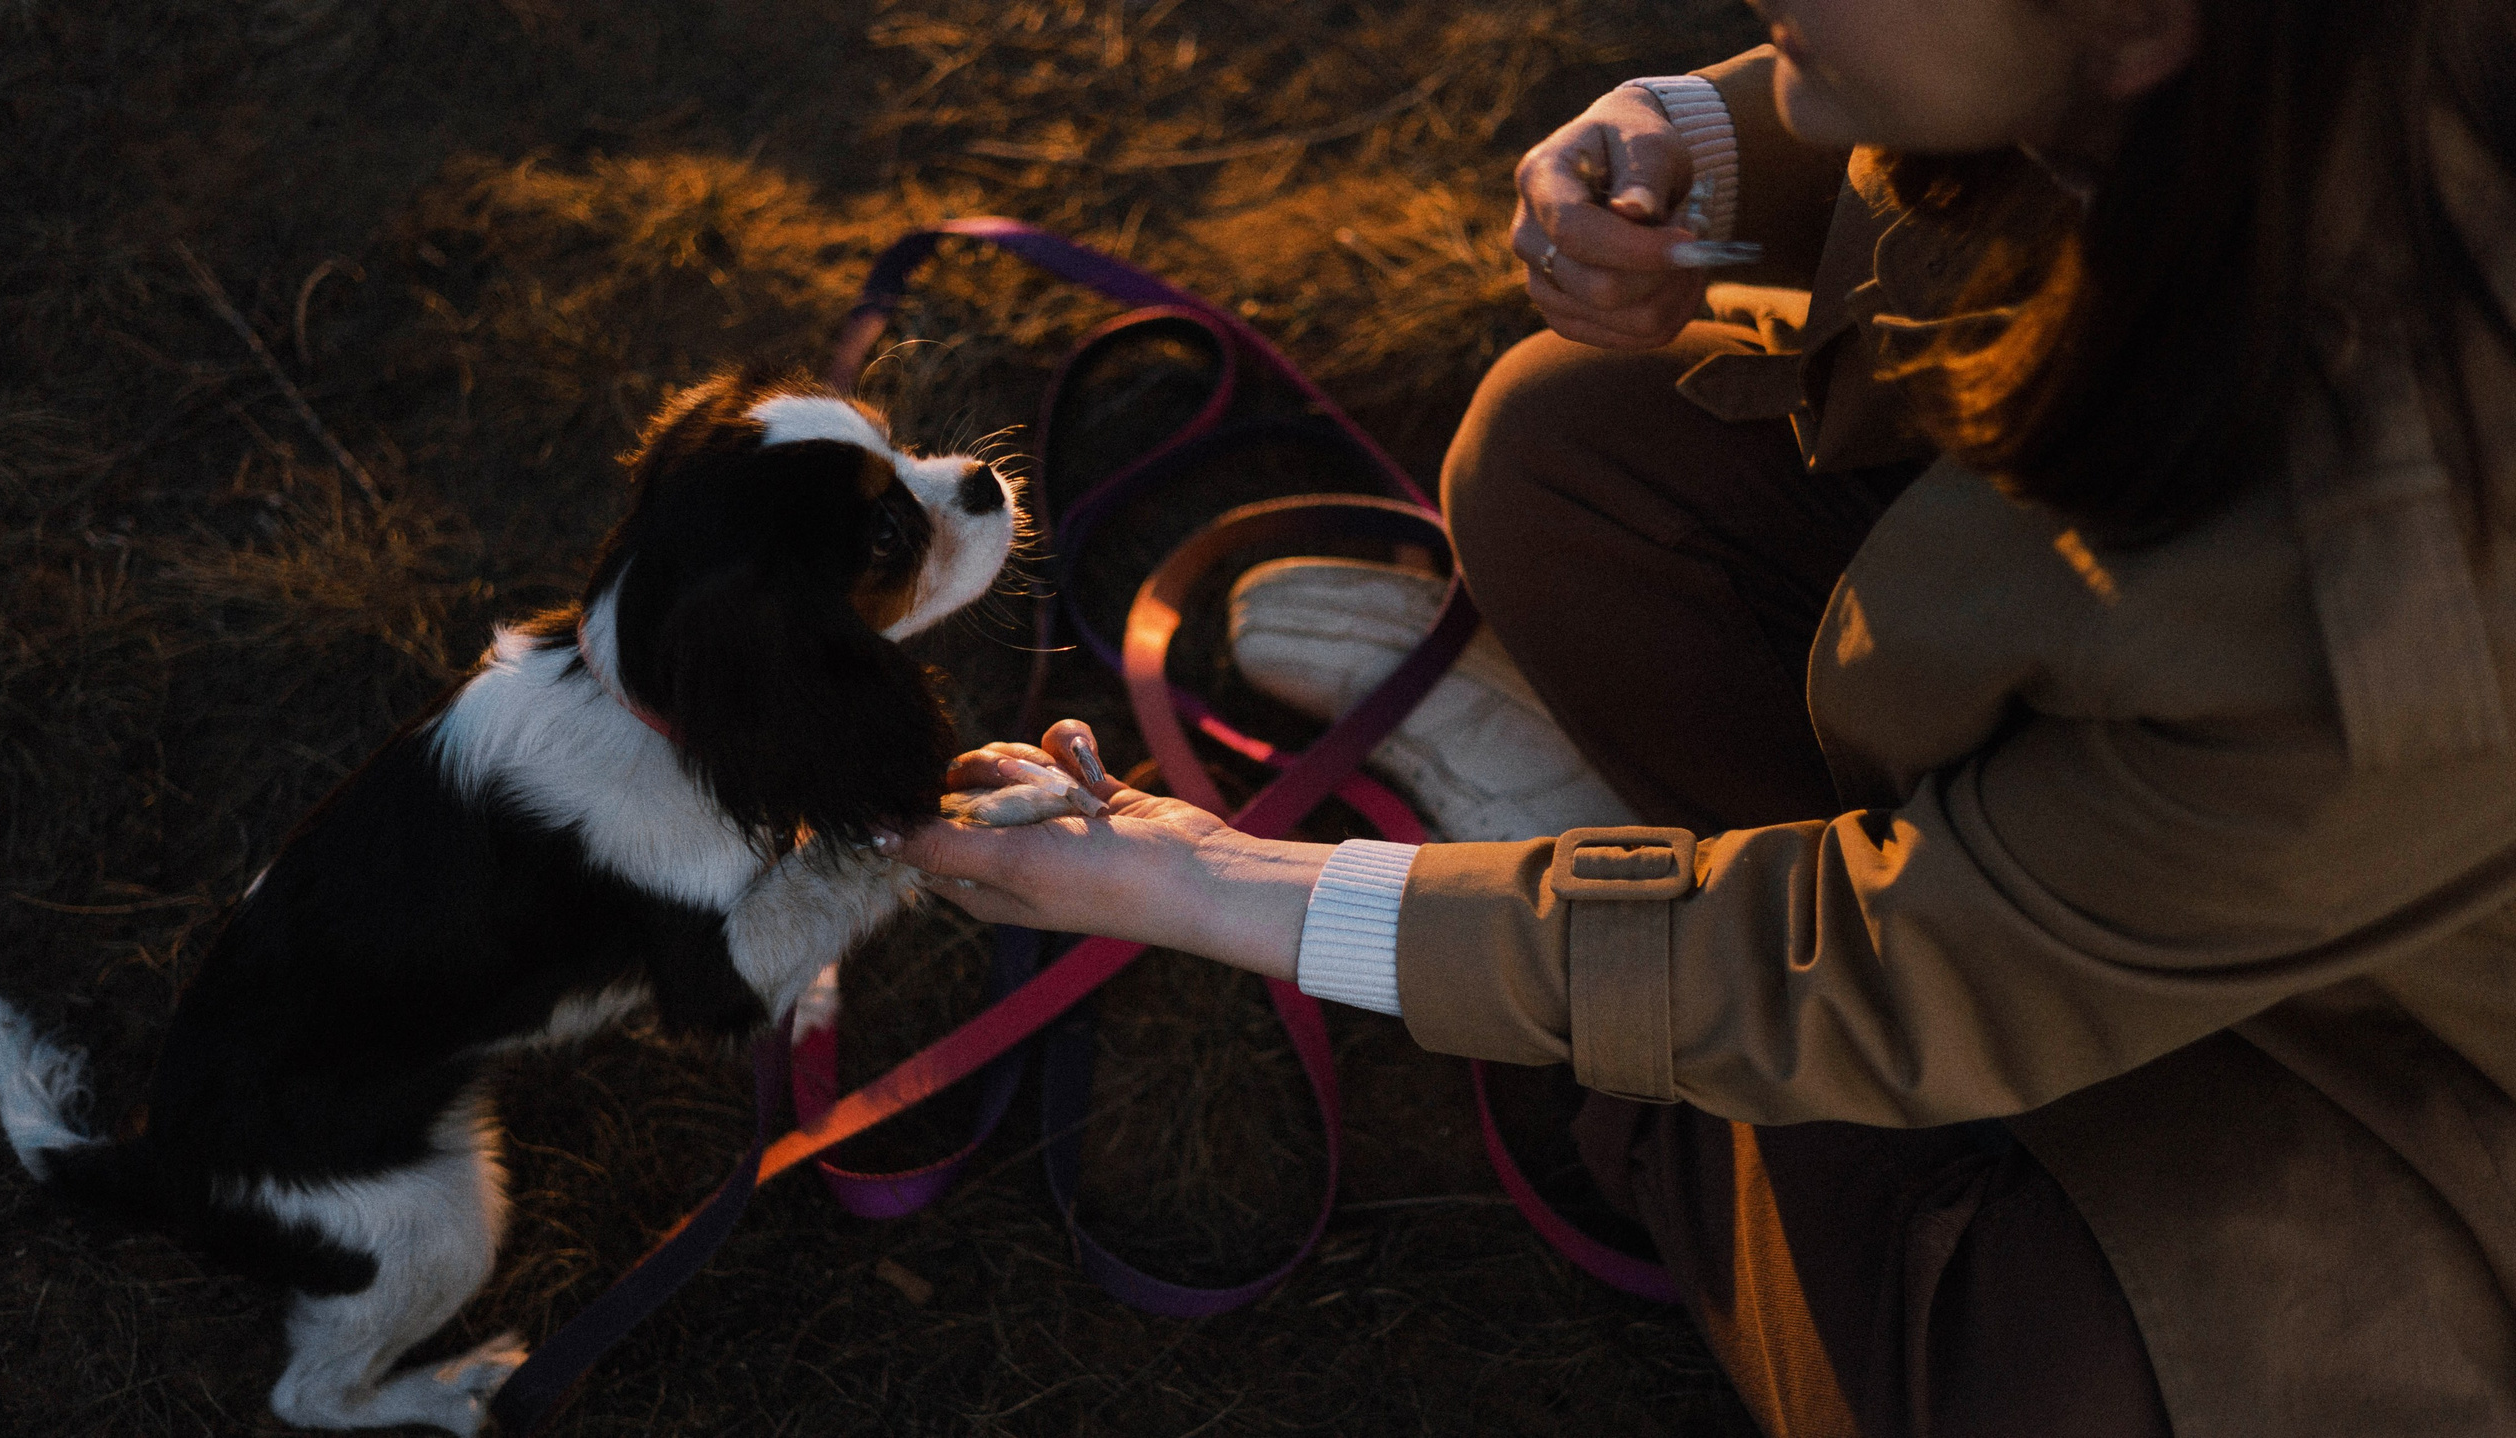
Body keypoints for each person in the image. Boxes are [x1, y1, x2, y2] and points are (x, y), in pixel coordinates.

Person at [882, 0, 2516, 1432]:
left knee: (2028, 1390)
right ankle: (1620, 931)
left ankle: (1599, 952)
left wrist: (1230, 889)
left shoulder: (2401, 587)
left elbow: (1887, 970)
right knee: (1563, 455)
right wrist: (1713, 141)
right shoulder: (2293, 59)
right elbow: (2047, 107)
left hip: (2406, 1058)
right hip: (2128, 828)